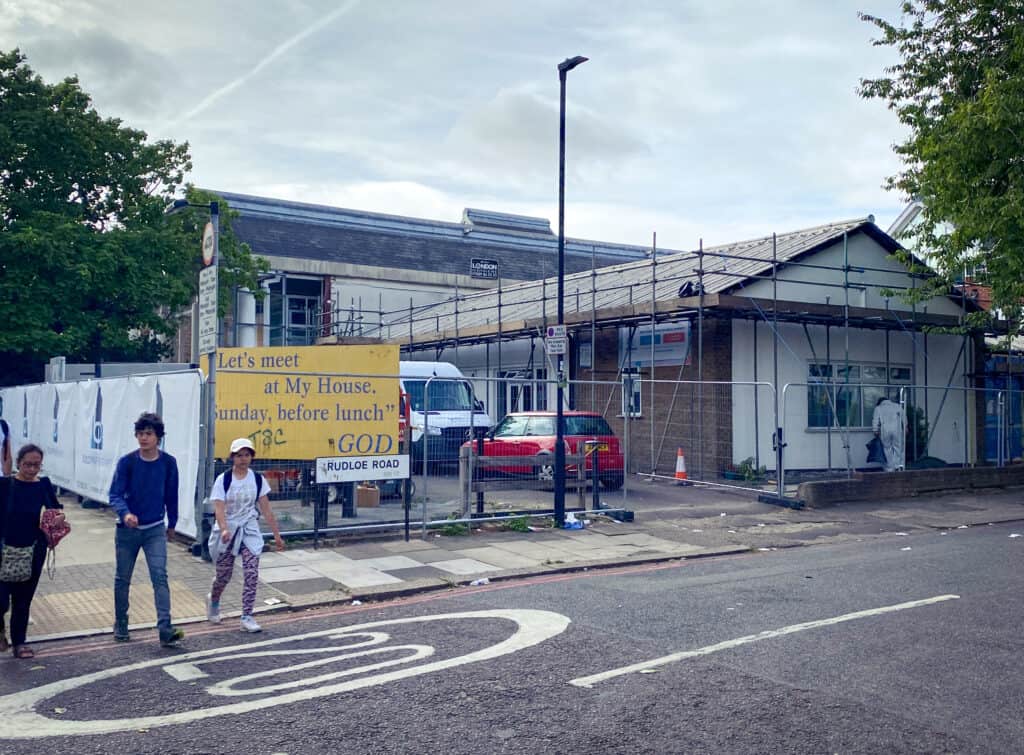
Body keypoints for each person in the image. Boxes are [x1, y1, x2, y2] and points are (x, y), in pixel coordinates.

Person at [108, 412, 184, 647]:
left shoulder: (168, 463)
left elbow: (171, 495)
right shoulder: (127, 462)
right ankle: (121, 622)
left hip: (154, 529)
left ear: (158, 437)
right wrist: (125, 513)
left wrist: (173, 524)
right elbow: (115, 494)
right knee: (123, 579)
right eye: (140, 434)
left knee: (160, 576)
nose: (143, 438)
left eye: (148, 434)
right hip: (127, 530)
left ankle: (165, 628)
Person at [206, 437, 285, 633]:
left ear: (252, 457)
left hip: (249, 528)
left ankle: (247, 616)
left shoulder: (257, 479)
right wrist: (224, 528)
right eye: (239, 455)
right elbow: (219, 507)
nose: (243, 459)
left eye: (247, 455)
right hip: (229, 529)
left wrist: (276, 535)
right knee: (224, 576)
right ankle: (214, 599)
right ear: (232, 457)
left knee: (251, 572)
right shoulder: (223, 480)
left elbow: (266, 508)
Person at [0, 444, 64, 659]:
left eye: (36, 465)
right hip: (4, 548)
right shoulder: (5, 485)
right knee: (0, 600)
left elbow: (56, 510)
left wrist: (58, 519)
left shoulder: (43, 485)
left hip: (33, 549)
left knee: (23, 599)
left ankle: (20, 642)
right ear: (18, 463)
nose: (32, 469)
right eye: (28, 464)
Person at [872, 397, 907, 472]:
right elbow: (904, 417)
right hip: (897, 428)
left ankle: (890, 468)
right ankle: (899, 466)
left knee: (887, 448)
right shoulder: (897, 406)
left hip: (885, 429)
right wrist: (905, 426)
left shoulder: (878, 408)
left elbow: (875, 420)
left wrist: (875, 430)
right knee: (898, 448)